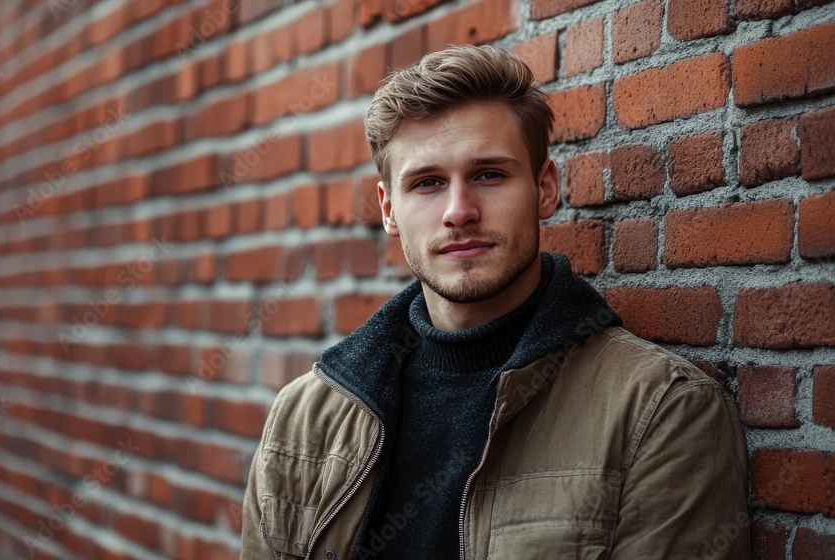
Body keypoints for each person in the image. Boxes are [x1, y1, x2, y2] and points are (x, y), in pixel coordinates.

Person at [240, 44, 750, 559]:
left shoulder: (660, 410)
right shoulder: (304, 421)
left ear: (544, 188)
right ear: (389, 209)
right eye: (428, 183)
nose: (459, 211)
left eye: (488, 174)